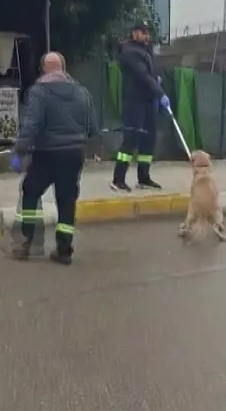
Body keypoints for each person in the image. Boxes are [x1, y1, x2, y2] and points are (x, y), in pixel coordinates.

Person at [10, 51, 98, 265]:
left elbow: (31, 125)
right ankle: (64, 250)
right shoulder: (82, 92)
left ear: (43, 69)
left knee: (31, 190)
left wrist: (19, 151)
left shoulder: (39, 92)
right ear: (64, 68)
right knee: (67, 199)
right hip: (74, 154)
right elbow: (93, 128)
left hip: (47, 154)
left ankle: (26, 241)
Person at [111, 21, 170, 192]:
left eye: (147, 33)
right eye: (143, 32)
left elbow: (152, 73)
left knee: (149, 140)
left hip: (148, 101)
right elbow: (142, 75)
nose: (146, 36)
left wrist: (158, 83)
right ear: (134, 33)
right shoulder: (130, 51)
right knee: (131, 139)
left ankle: (144, 178)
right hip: (134, 102)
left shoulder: (146, 50)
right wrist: (160, 93)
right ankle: (118, 179)